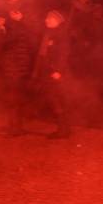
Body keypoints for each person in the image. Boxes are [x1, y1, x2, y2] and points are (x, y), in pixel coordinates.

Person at [0, 0, 40, 137]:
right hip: (8, 53)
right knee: (10, 88)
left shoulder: (28, 7)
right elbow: (0, 36)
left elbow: (36, 29)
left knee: (18, 88)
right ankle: (13, 124)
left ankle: (17, 124)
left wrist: (22, 19)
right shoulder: (2, 9)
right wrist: (0, 27)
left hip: (23, 52)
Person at [34, 10, 71, 139]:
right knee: (54, 99)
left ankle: (63, 130)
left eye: (49, 19)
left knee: (56, 99)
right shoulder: (48, 33)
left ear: (57, 21)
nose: (46, 20)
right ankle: (63, 128)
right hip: (47, 71)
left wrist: (58, 70)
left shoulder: (61, 35)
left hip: (54, 72)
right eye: (46, 18)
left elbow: (64, 54)